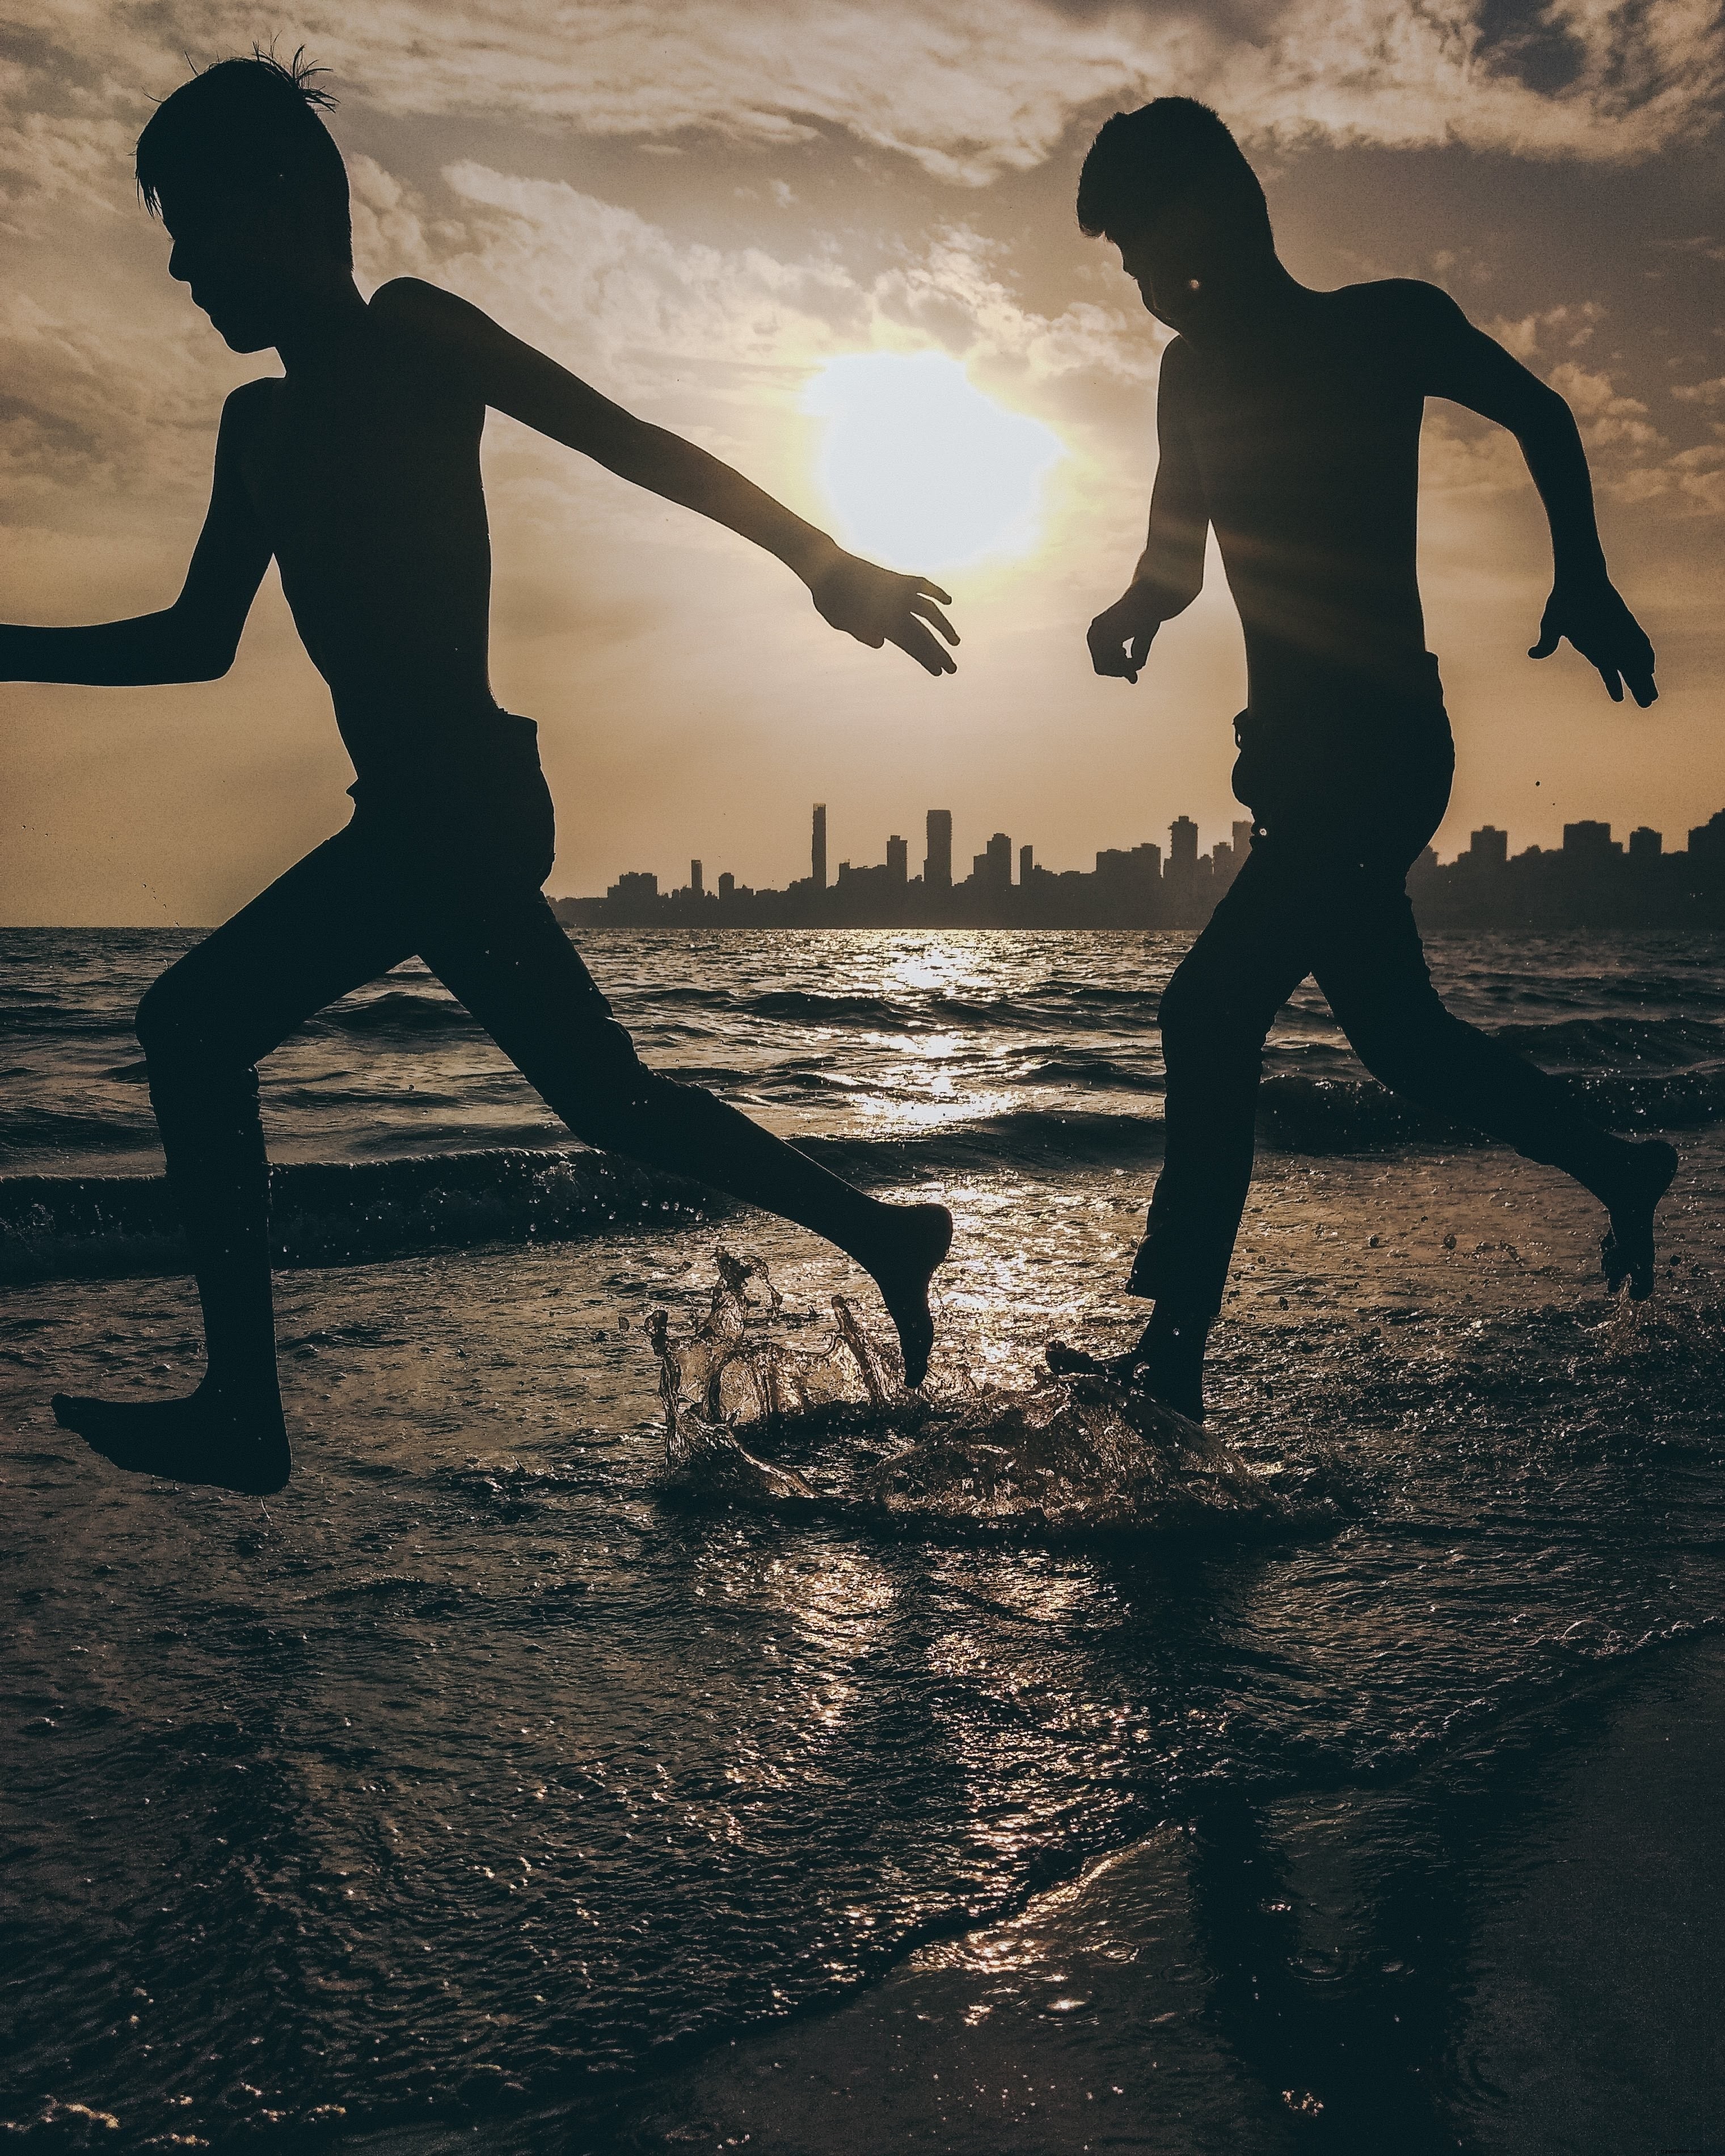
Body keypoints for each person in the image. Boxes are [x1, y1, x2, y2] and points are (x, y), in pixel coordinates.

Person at [3, 54, 959, 1495]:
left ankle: (246, 1410)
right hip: (417, 819)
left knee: (190, 1027)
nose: (185, 267)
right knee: (607, 1098)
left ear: (289, 202)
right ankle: (885, 1233)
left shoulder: (414, 333)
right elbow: (195, 643)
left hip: (462, 802)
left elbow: (629, 443)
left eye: (197, 227)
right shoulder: (254, 431)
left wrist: (824, 562)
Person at [1051, 98, 1673, 1423]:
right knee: (1400, 1039)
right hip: (1293, 766)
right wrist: (1132, 614)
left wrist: (1583, 571)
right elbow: (1175, 561)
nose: (1139, 278)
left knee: (1206, 1011)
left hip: (1383, 751)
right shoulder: (1190, 378)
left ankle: (1173, 1358)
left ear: (1211, 215)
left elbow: (1543, 412)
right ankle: (1619, 1167)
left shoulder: (1381, 325)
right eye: (1121, 261)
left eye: (1142, 245)